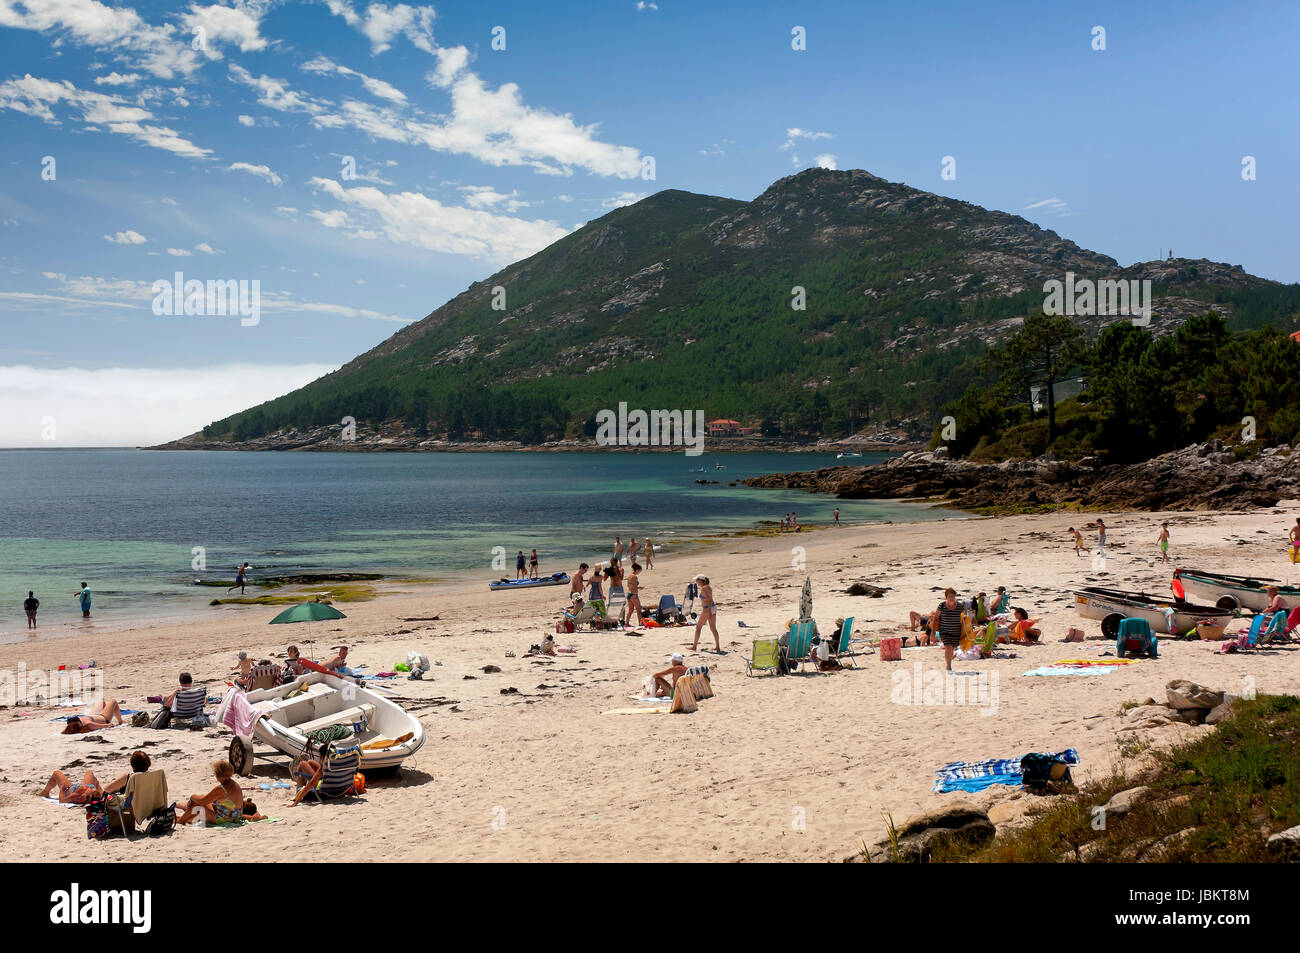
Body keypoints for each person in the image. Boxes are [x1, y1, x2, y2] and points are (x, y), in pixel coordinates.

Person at [177, 760, 246, 825]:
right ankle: (182, 811)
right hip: (236, 816)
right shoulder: (235, 783)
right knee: (202, 802)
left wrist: (192, 797)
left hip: (226, 819)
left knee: (197, 801)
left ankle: (181, 820)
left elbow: (202, 801)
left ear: (219, 775)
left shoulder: (221, 789)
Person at [931, 588, 964, 672]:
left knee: (952, 648)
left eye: (953, 596)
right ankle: (948, 666)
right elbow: (935, 618)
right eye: (950, 596)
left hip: (956, 631)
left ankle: (949, 663)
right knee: (948, 647)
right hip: (944, 631)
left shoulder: (960, 606)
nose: (952, 598)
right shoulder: (942, 605)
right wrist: (933, 633)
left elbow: (964, 619)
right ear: (946, 597)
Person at [40, 767, 108, 804]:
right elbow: (92, 789)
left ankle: (45, 792)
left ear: (86, 794)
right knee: (90, 773)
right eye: (91, 788)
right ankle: (103, 793)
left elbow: (62, 800)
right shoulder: (89, 793)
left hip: (68, 789)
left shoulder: (76, 795)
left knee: (56, 773)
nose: (89, 788)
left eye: (90, 789)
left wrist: (61, 789)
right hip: (82, 789)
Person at [691, 574, 720, 652]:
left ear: (701, 581)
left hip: (708, 609)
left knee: (698, 627)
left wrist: (710, 612)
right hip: (712, 608)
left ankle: (694, 647)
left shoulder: (704, 588)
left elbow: (709, 600)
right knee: (713, 628)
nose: (697, 583)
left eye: (697, 581)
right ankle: (717, 647)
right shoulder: (708, 587)